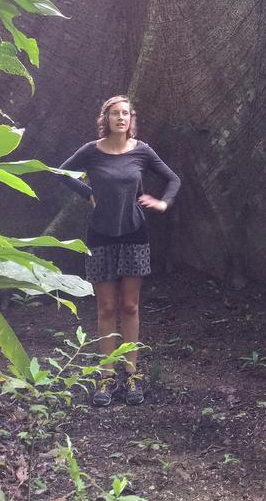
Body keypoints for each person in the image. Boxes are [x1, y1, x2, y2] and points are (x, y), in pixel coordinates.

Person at [58, 95, 180, 406]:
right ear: (106, 119)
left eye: (126, 113)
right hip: (100, 235)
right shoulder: (92, 151)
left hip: (135, 234)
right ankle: (106, 376)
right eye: (115, 113)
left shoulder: (141, 151)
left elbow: (172, 179)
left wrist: (162, 202)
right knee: (106, 308)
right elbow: (62, 173)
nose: (121, 118)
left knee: (130, 306)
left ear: (131, 119)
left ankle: (132, 373)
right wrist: (88, 194)